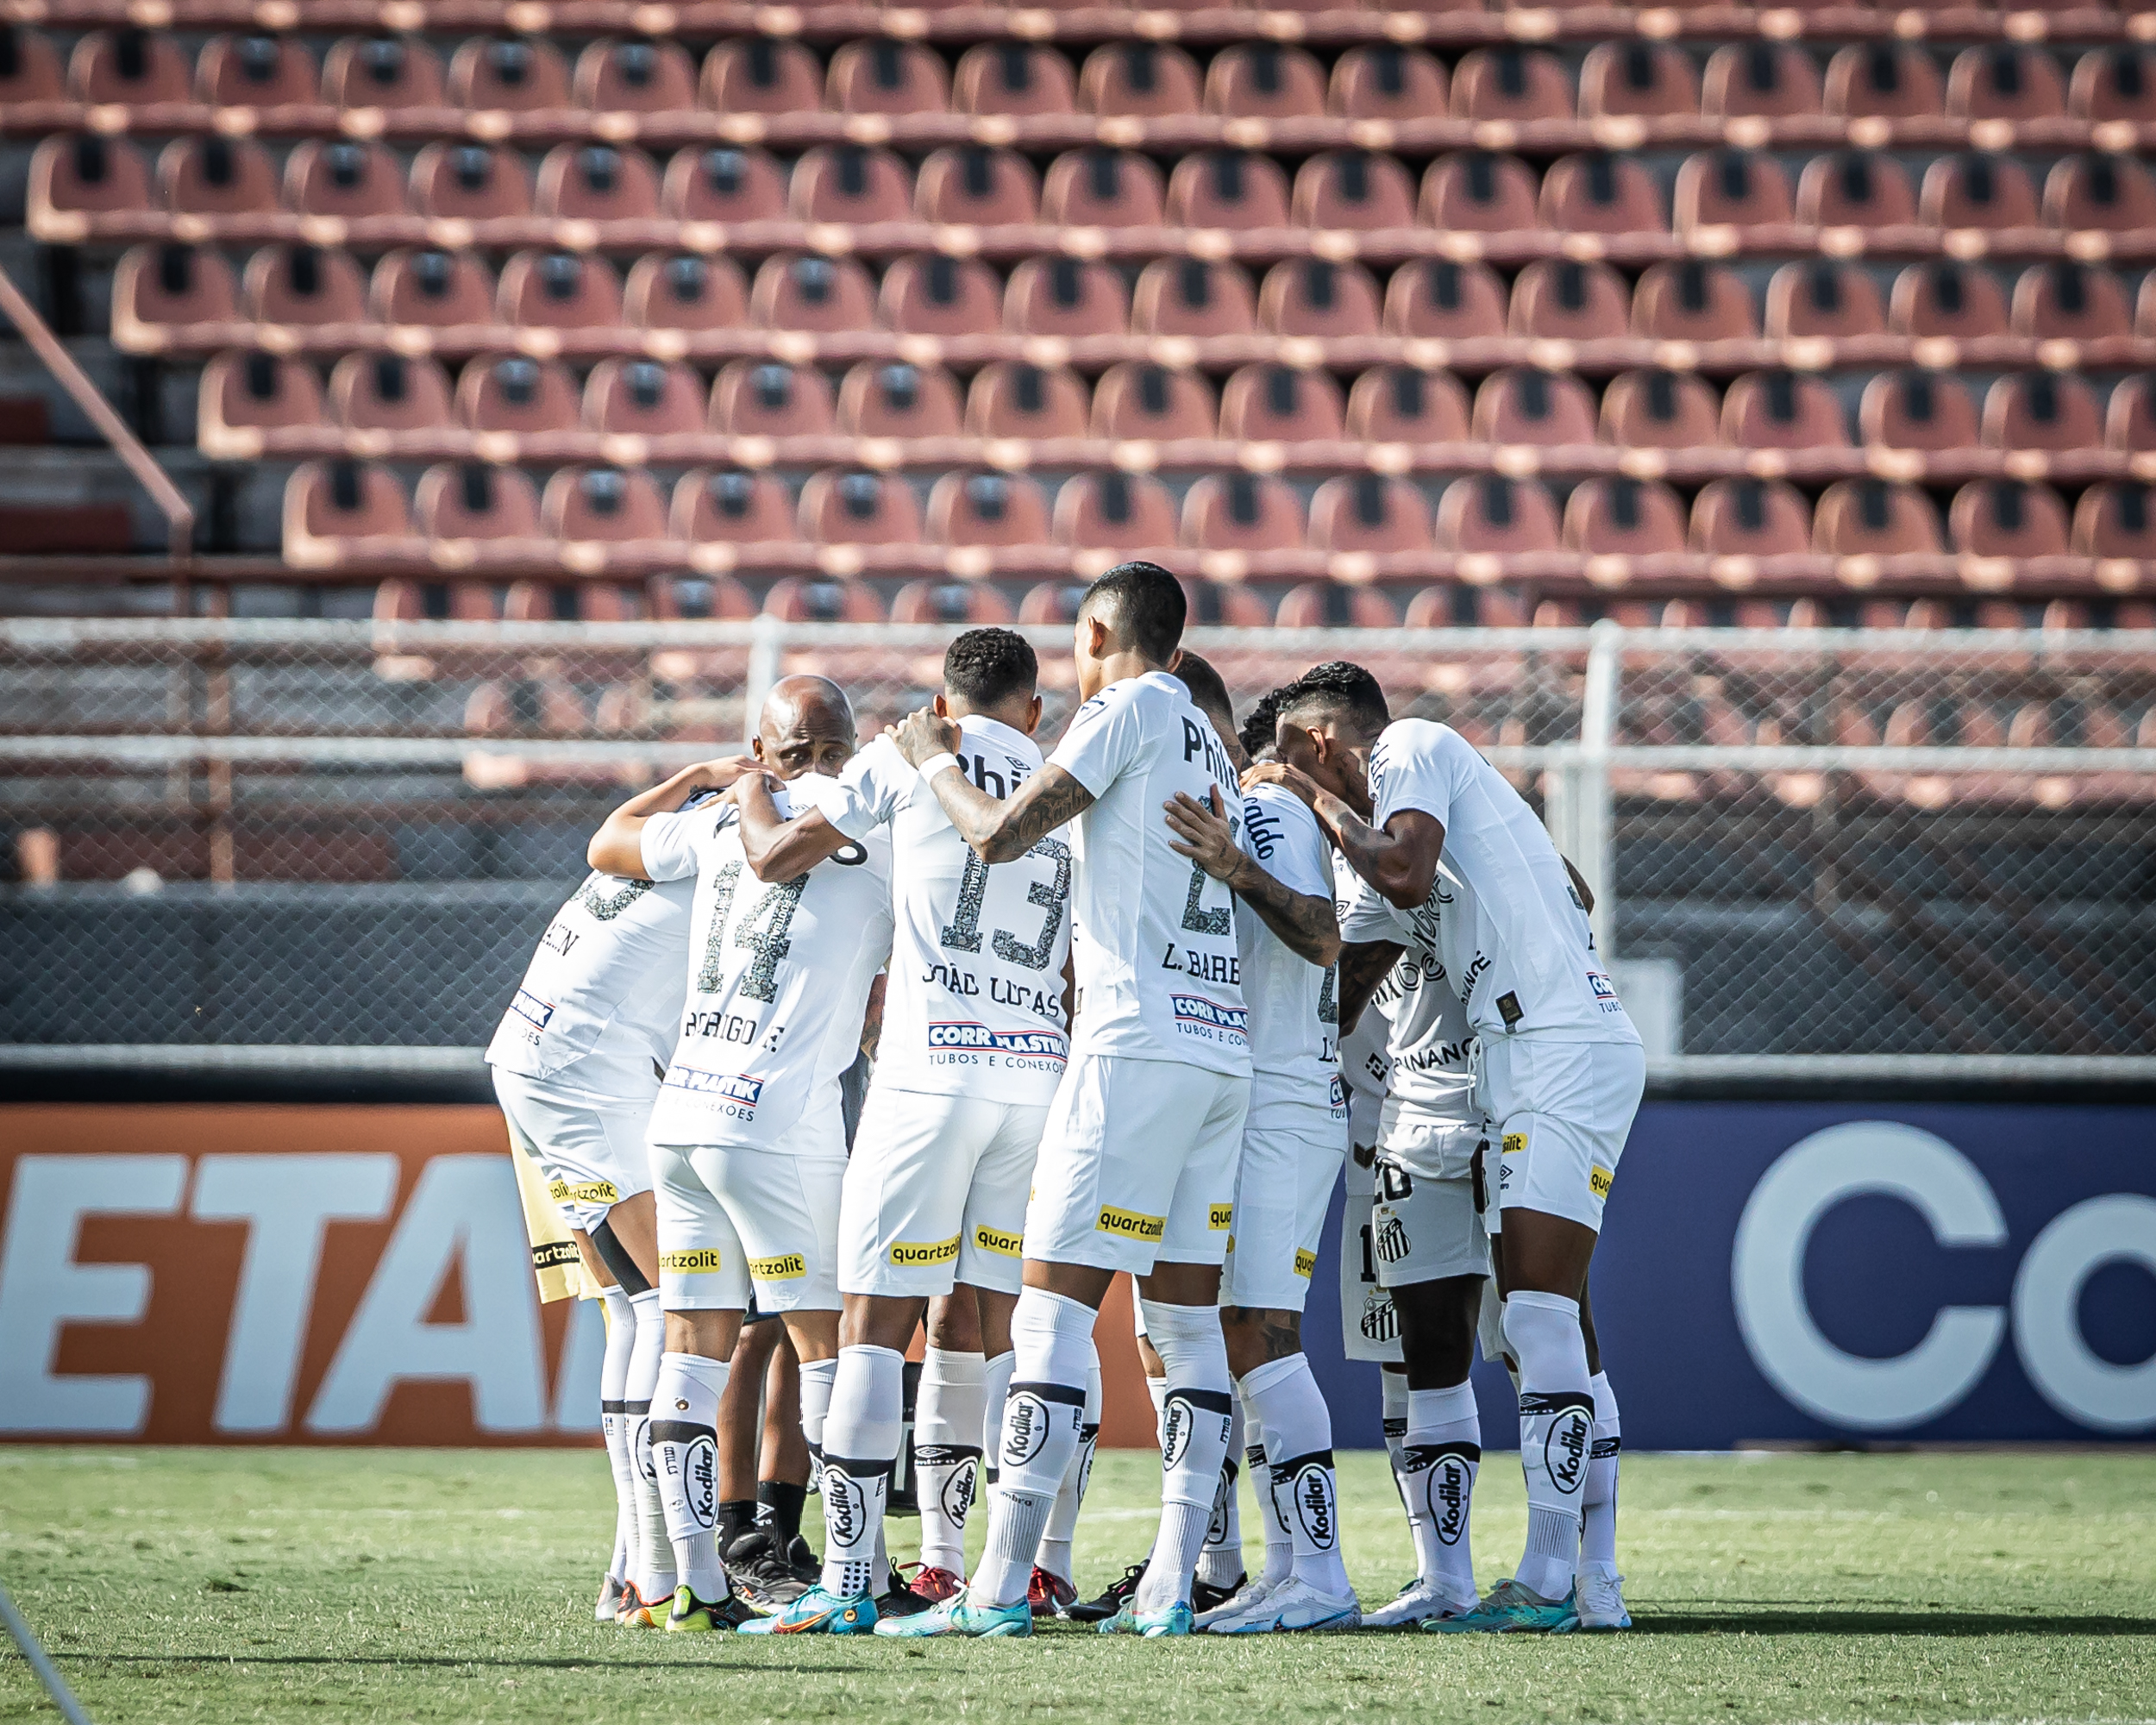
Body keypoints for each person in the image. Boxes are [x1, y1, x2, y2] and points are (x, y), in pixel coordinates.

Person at [876, 561, 1251, 1640]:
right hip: (1218, 1051)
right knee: (1185, 1327)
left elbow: (1000, 833)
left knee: (1049, 1308)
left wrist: (932, 763)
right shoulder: (1207, 741)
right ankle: (1174, 1581)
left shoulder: (1123, 707)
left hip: (1133, 1046)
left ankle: (997, 1585)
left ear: (1096, 630)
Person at [1257, 662, 1644, 1634]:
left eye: (1291, 770)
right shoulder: (1395, 840)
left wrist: (1300, 794)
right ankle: (1515, 1577)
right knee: (1497, 1325)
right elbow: (1347, 969)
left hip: (1559, 1046)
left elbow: (1405, 869)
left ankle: (1557, 1574)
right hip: (1493, 1068)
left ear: (1315, 744)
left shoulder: (1415, 744)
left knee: (1541, 1313)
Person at [721, 628, 1079, 1634]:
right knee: (1002, 1330)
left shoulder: (903, 752)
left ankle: (845, 1577)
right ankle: (995, 1577)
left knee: (873, 1324)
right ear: (1033, 708)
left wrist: (751, 782)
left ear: (941, 699)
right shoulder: (1065, 774)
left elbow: (774, 857)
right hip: (1036, 1075)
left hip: (931, 1072)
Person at [587, 675, 893, 1634]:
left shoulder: (721, 819)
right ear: (846, 745)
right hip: (779, 1116)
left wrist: (710, 777)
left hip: (680, 1112)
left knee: (689, 1348)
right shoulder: (871, 820)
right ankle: (855, 1576)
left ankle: (692, 1586)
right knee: (826, 1346)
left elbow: (605, 844)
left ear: (767, 749)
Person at [1158, 660, 1360, 1634]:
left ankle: (1316, 1572)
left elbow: (1323, 935)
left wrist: (1236, 863)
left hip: (1282, 1101)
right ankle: (1276, 1567)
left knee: (1260, 1333)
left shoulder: (1259, 810)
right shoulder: (1231, 806)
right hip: (1258, 1095)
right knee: (1234, 1332)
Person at [486, 837, 709, 1628]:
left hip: (535, 1060)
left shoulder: (671, 821)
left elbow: (608, 832)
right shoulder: (755, 835)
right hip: (585, 1073)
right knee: (669, 1306)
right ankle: (650, 1577)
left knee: (627, 1308)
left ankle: (628, 1572)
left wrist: (702, 773)